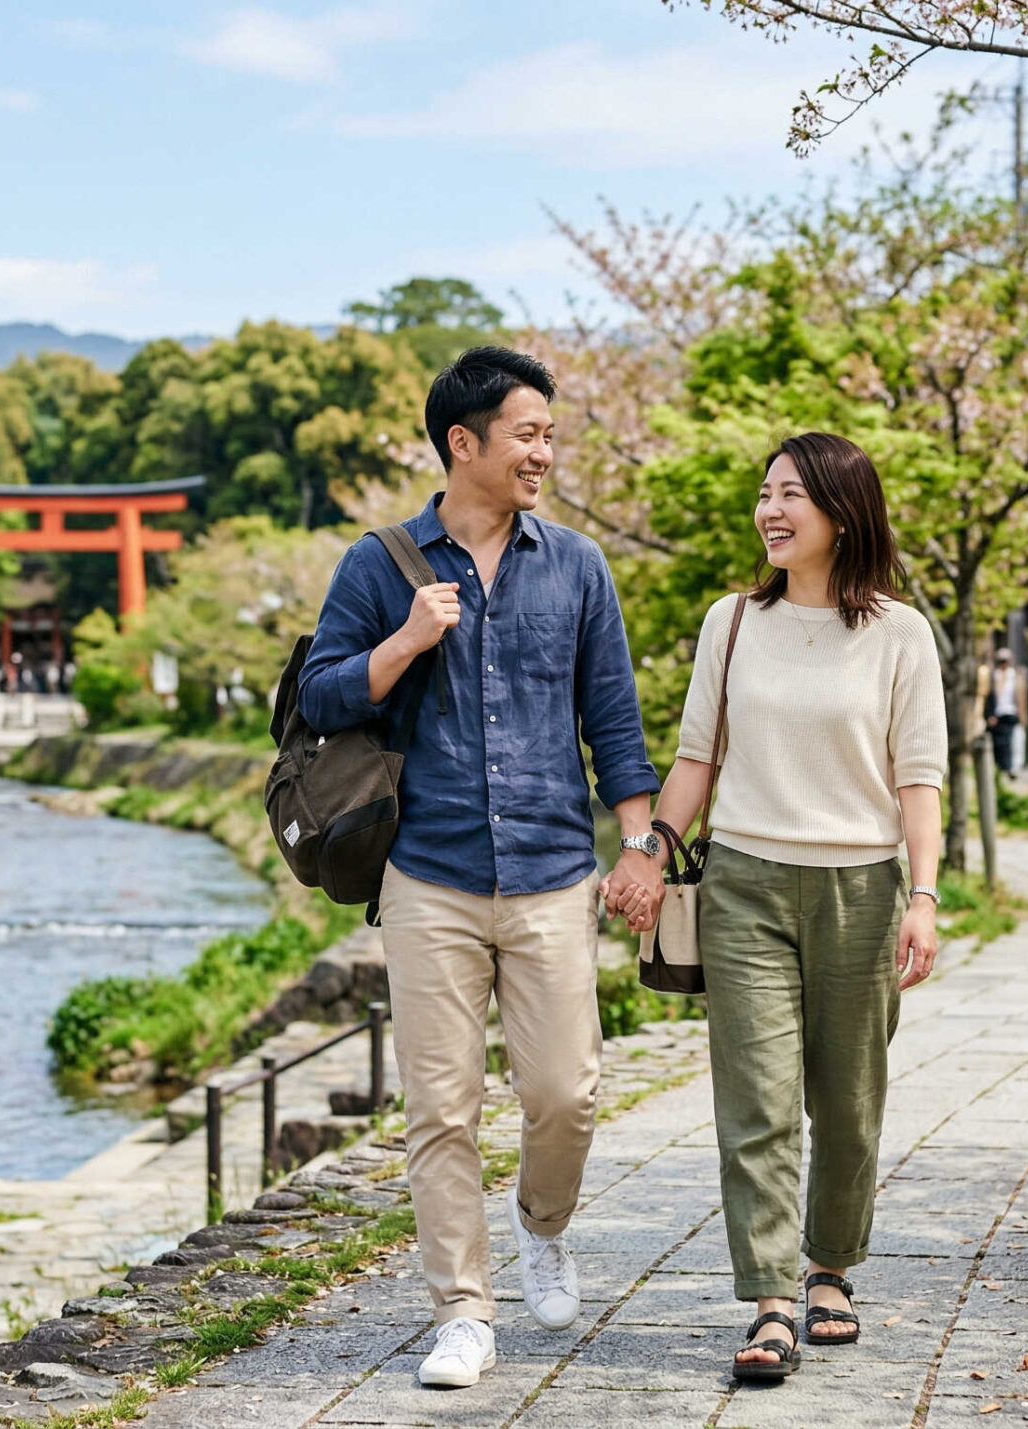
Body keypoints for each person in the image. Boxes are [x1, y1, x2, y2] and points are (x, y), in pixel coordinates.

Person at [297, 346, 661, 1390]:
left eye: (548, 434)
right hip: (428, 872)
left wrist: (639, 843)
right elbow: (320, 696)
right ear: (464, 442)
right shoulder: (379, 564)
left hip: (552, 869)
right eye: (526, 433)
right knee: (441, 1107)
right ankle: (461, 1310)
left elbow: (612, 720)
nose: (544, 451)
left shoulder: (576, 565)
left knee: (565, 1092)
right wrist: (404, 642)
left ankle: (541, 1223)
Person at [626, 431, 946, 1383]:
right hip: (745, 885)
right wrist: (650, 853)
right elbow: (697, 759)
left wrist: (923, 895)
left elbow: (919, 779)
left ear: (843, 512)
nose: (770, 510)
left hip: (862, 888)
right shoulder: (730, 622)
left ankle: (830, 1268)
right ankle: (770, 1299)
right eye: (765, 493)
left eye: (790, 494)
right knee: (757, 1101)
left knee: (848, 1101)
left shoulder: (900, 633)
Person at [984, 647, 1023, 775]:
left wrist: (1023, 715)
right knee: (999, 743)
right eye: (1001, 661)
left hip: (1011, 713)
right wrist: (990, 714)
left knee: (1012, 741)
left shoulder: (1016, 676)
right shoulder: (993, 676)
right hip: (998, 714)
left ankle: (1010, 768)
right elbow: (988, 697)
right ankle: (1001, 768)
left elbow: (1022, 698)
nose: (1003, 664)